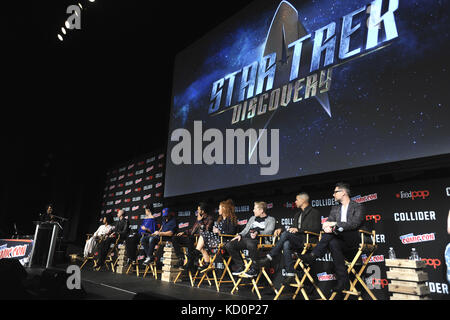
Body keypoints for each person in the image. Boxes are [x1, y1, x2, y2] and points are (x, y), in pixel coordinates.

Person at [299, 182, 365, 292]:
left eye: (335, 192)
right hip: (339, 240)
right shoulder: (335, 208)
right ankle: (343, 282)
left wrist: (334, 225)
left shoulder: (358, 206)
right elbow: (329, 221)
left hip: (353, 239)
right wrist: (326, 226)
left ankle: (313, 255)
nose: (333, 195)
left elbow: (354, 224)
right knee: (332, 242)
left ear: (343, 192)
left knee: (333, 233)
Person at [256, 192, 321, 284]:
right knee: (286, 243)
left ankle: (270, 256)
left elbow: (316, 229)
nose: (295, 202)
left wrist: (298, 230)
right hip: (297, 240)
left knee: (286, 237)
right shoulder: (297, 214)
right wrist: (280, 230)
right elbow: (292, 229)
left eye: (297, 200)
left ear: (303, 200)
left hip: (308, 240)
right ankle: (290, 273)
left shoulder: (315, 212)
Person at [225, 201, 276, 278]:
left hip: (259, 240)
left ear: (261, 210)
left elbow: (269, 231)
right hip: (247, 239)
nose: (253, 210)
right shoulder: (252, 218)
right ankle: (241, 266)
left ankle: (254, 269)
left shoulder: (271, 219)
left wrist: (258, 232)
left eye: (255, 209)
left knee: (250, 243)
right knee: (229, 245)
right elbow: (245, 230)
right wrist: (240, 235)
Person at [195, 199, 238, 271]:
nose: (218, 210)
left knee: (204, 235)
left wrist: (219, 232)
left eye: (219, 208)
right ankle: (206, 262)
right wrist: (215, 231)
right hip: (217, 239)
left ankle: (196, 255)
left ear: (224, 209)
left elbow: (231, 233)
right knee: (202, 242)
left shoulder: (230, 220)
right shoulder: (220, 220)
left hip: (225, 242)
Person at [172, 202, 214, 271]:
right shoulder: (199, 218)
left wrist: (200, 221)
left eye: (198, 210)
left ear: (202, 211)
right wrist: (184, 232)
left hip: (200, 240)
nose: (197, 211)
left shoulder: (210, 219)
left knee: (190, 240)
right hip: (192, 237)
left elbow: (206, 231)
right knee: (175, 238)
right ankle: (181, 258)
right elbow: (193, 230)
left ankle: (190, 264)